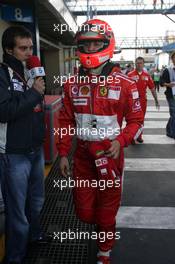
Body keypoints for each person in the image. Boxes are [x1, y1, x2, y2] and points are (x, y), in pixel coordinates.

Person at [58, 19, 144, 264]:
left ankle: (104, 251)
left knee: (107, 209)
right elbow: (64, 121)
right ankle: (100, 230)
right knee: (85, 212)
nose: (91, 48)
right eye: (86, 44)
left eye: (96, 43)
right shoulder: (71, 84)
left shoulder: (127, 83)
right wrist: (63, 153)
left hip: (110, 155)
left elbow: (137, 120)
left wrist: (122, 140)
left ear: (107, 44)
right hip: (83, 156)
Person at [0, 26, 49, 264]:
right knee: (17, 212)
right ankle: (15, 258)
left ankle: (35, 235)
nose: (29, 52)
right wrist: (33, 93)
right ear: (9, 49)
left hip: (35, 149)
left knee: (36, 200)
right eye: (23, 48)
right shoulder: (2, 74)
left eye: (31, 48)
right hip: (13, 154)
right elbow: (3, 111)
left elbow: (36, 110)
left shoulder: (31, 71)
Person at [128, 56, 160, 143]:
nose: (139, 65)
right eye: (137, 63)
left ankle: (139, 135)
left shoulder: (147, 76)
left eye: (141, 63)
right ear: (135, 64)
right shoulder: (130, 75)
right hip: (132, 101)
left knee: (141, 119)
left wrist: (156, 100)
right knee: (132, 119)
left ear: (143, 64)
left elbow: (152, 88)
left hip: (142, 101)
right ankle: (132, 136)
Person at [160, 51, 175, 138]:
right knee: (173, 113)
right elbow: (161, 82)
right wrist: (168, 84)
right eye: (174, 57)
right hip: (171, 95)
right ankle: (172, 133)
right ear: (172, 59)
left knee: (173, 115)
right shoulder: (167, 70)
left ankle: (169, 130)